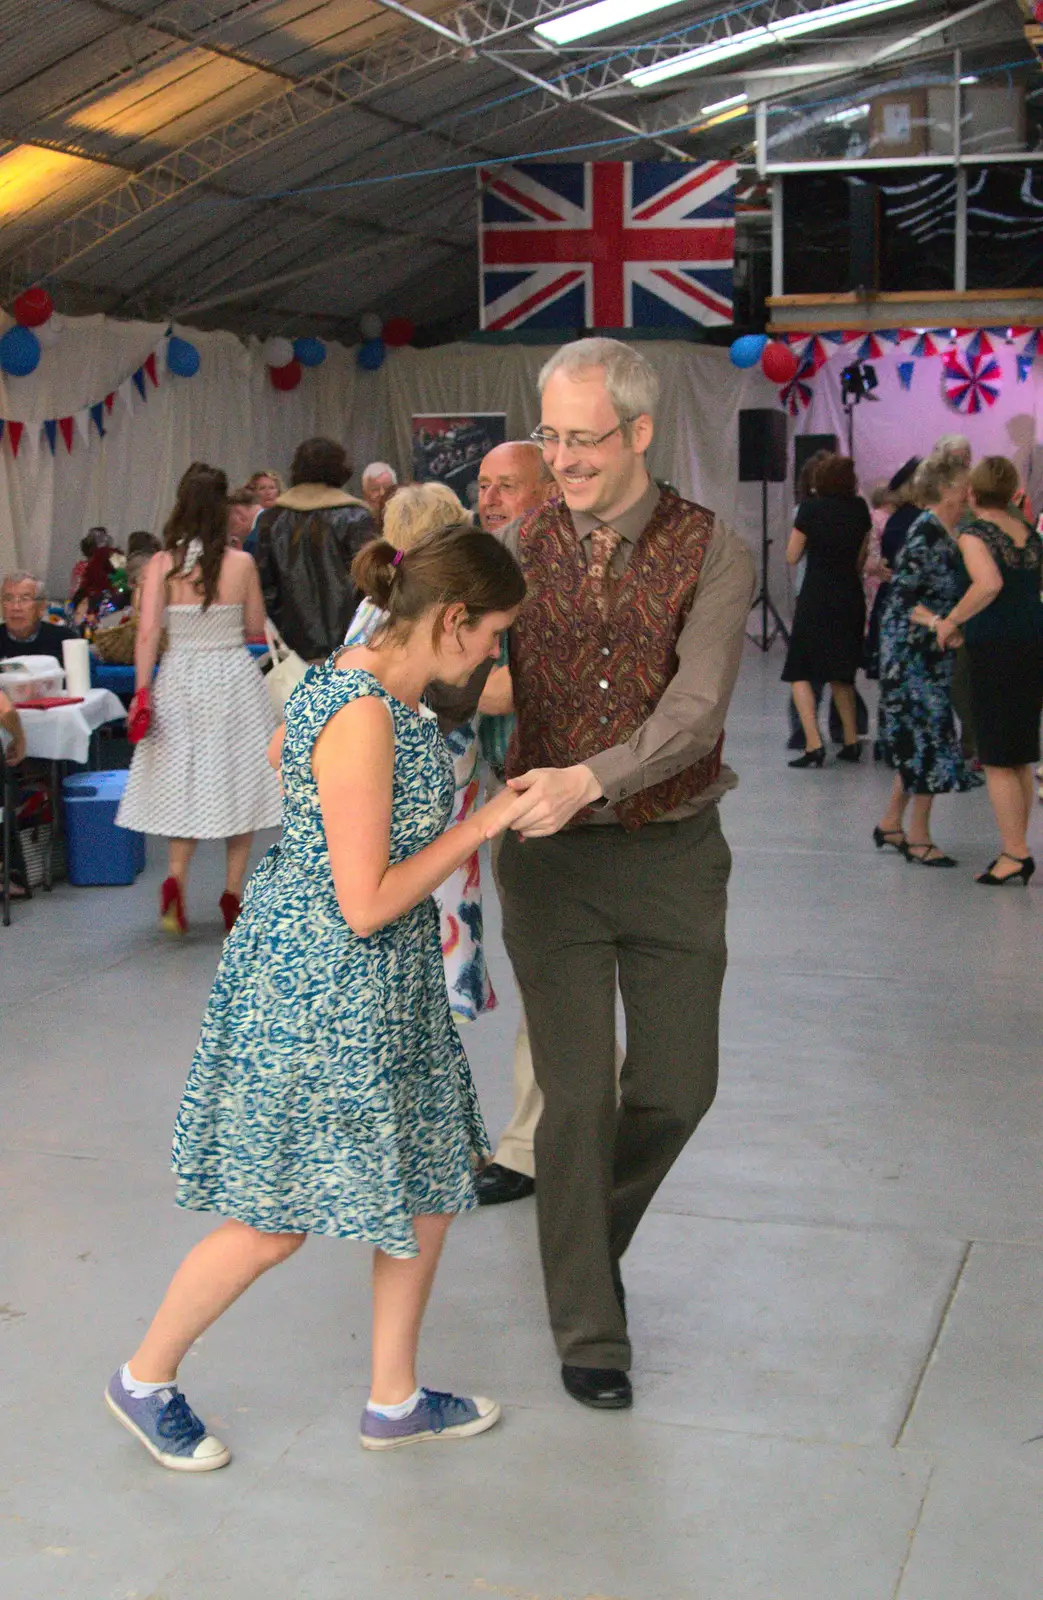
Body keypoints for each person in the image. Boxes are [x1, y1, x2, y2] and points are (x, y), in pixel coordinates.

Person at [104, 525, 526, 1471]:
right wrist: (484, 821)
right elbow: (365, 900)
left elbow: (277, 742)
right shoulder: (366, 708)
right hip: (323, 987)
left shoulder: (375, 676)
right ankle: (144, 1378)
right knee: (272, 1218)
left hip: (382, 984)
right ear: (451, 620)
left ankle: (394, 1398)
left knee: (426, 1184)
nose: (494, 654)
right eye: (492, 634)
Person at [483, 337, 755, 1410]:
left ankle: (582, 1243)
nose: (561, 460)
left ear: (638, 432)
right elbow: (454, 670)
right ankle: (590, 1327)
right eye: (547, 436)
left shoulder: (712, 552)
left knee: (678, 1086)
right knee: (576, 1097)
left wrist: (587, 778)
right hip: (547, 869)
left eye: (581, 439)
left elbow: (692, 717)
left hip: (673, 855)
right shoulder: (512, 545)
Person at [344, 484, 498, 1023]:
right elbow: (478, 694)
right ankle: (443, 993)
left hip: (410, 777)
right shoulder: (438, 619)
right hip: (434, 775)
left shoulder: (372, 609)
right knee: (436, 873)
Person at [116, 465, 282, 934]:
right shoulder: (241, 564)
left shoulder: (162, 564)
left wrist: (142, 691)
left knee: (181, 781)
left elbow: (147, 632)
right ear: (224, 510)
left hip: (181, 679)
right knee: (240, 781)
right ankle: (233, 892)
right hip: (232, 677)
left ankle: (175, 880)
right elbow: (254, 625)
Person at [469, 442, 560, 1206]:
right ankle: (535, 1140)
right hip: (507, 794)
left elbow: (500, 689)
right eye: (483, 486)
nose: (491, 498)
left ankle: (539, 1144)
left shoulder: (556, 577)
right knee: (543, 968)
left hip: (569, 803)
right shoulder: (485, 573)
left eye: (508, 486)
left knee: (554, 972)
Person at [932, 456, 1042, 884]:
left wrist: (951, 620)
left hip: (997, 649)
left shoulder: (974, 534)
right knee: (1020, 754)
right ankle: (1017, 846)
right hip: (1032, 643)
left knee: (997, 757)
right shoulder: (1029, 534)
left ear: (973, 493)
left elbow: (989, 584)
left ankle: (1014, 852)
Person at [873, 454, 977, 866]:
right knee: (929, 740)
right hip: (911, 655)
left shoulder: (947, 531)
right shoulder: (926, 532)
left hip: (928, 653)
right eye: (963, 485)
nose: (969, 492)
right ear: (947, 489)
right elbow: (902, 598)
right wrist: (939, 623)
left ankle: (891, 823)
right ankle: (919, 837)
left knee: (923, 738)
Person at [782, 454, 871, 766]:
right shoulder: (860, 509)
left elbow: (792, 556)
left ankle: (813, 743)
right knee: (842, 673)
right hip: (850, 596)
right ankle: (850, 741)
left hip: (817, 596)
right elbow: (861, 558)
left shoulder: (810, 509)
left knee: (800, 670)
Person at [255, 438, 374, 661]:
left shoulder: (272, 519)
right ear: (341, 469)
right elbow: (373, 583)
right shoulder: (356, 516)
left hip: (293, 648)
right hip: (353, 646)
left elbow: (265, 587)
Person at [0, 571, 78, 659]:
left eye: (25, 599)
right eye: (8, 599)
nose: (16, 607)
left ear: (41, 607)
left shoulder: (65, 640)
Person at [226, 486, 262, 551]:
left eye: (231, 526)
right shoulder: (278, 517)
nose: (232, 534)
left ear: (240, 516)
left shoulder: (254, 541)